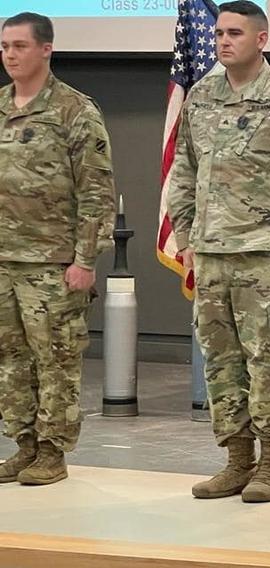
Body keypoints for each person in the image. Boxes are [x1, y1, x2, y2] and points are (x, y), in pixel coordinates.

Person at [167, 0, 270, 503]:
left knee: (267, 364)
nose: (223, 41)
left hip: (266, 255)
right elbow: (184, 171)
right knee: (221, 363)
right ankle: (238, 460)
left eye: (234, 33)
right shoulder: (200, 95)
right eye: (219, 32)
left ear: (261, 39)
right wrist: (186, 237)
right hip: (213, 252)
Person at [0, 12, 116, 486]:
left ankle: (52, 451)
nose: (10, 55)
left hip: (52, 261)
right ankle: (23, 444)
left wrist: (85, 259)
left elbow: (96, 192)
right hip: (4, 258)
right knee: (11, 359)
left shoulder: (74, 110)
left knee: (56, 360)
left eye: (20, 46)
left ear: (46, 49)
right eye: (5, 46)